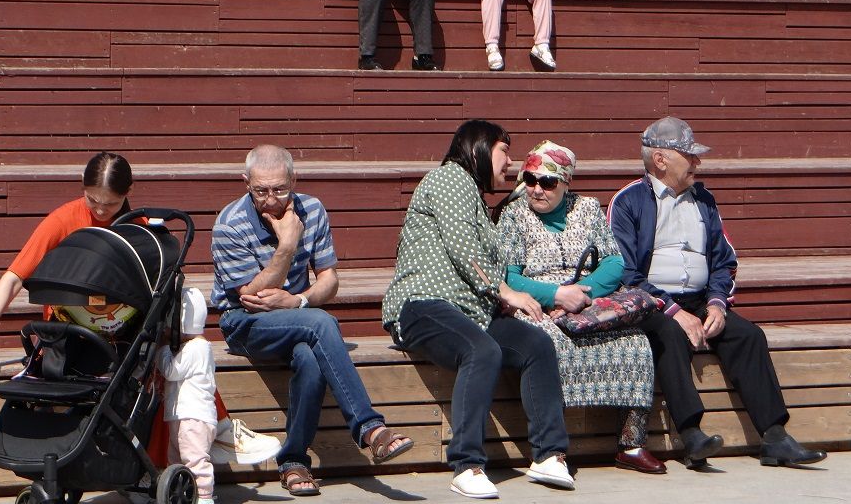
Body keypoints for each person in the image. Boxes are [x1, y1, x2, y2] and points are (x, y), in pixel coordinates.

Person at [0, 151, 279, 466]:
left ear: (128, 193)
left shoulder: (140, 228)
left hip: (122, 335)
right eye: (91, 200)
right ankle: (217, 430)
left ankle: (218, 429)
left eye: (109, 203)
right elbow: (14, 278)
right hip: (71, 339)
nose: (99, 209)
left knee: (186, 350)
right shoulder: (65, 218)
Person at [608, 117, 827, 469]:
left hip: (700, 298)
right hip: (653, 302)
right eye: (689, 155)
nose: (698, 162)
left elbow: (725, 261)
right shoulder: (629, 201)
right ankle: (692, 435)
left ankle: (774, 437)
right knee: (668, 333)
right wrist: (673, 311)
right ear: (660, 160)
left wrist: (717, 303)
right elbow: (625, 272)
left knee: (748, 335)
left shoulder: (705, 200)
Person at [382, 120, 572, 499]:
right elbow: (462, 247)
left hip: (471, 312)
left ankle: (549, 455)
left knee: (535, 345)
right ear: (480, 148)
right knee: (481, 349)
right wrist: (506, 292)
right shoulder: (449, 179)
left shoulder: (474, 196)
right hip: (422, 305)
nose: (509, 162)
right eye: (504, 151)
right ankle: (467, 464)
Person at [212, 144, 414, 496]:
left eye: (279, 189)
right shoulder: (229, 225)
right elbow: (252, 297)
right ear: (245, 183)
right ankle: (370, 428)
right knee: (321, 323)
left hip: (297, 317)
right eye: (260, 191)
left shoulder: (313, 209)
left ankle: (292, 461)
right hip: (243, 324)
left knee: (310, 355)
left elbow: (329, 280)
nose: (271, 199)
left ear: (294, 180)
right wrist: (288, 244)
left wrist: (298, 299)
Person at [497, 140, 664, 474]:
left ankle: (631, 444)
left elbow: (615, 263)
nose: (536, 189)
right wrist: (556, 295)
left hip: (586, 301)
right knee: (547, 342)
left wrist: (579, 299)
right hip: (536, 302)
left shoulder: (587, 209)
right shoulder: (514, 214)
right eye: (530, 180)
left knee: (635, 343)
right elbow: (509, 277)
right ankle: (551, 449)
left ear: (565, 183)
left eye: (547, 182)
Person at [157, 288, 216, 504]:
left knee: (195, 460)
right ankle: (180, 492)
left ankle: (204, 497)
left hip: (194, 417)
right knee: (176, 458)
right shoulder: (190, 347)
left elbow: (172, 371)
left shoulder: (197, 348)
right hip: (182, 416)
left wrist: (162, 349)